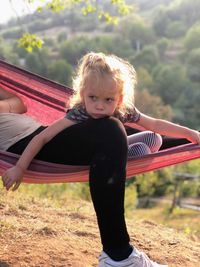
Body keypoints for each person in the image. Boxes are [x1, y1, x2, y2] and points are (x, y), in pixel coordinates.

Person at [2, 52, 200, 267]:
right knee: (112, 127)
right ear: (83, 94)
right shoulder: (78, 113)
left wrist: (191, 134)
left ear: (120, 99)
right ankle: (118, 256)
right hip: (25, 147)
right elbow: (43, 138)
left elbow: (155, 123)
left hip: (60, 138)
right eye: (93, 98)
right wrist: (20, 167)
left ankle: (179, 146)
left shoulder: (121, 108)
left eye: (108, 99)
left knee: (151, 136)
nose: (98, 105)